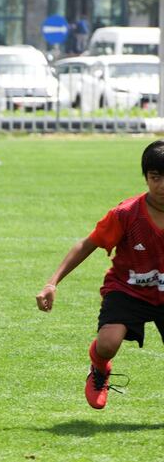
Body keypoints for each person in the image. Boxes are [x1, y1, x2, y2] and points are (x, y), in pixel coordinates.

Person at [35, 140, 164, 409]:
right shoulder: (126, 214)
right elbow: (87, 244)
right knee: (108, 343)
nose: (161, 186)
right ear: (146, 178)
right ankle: (99, 367)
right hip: (129, 290)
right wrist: (52, 282)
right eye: (155, 178)